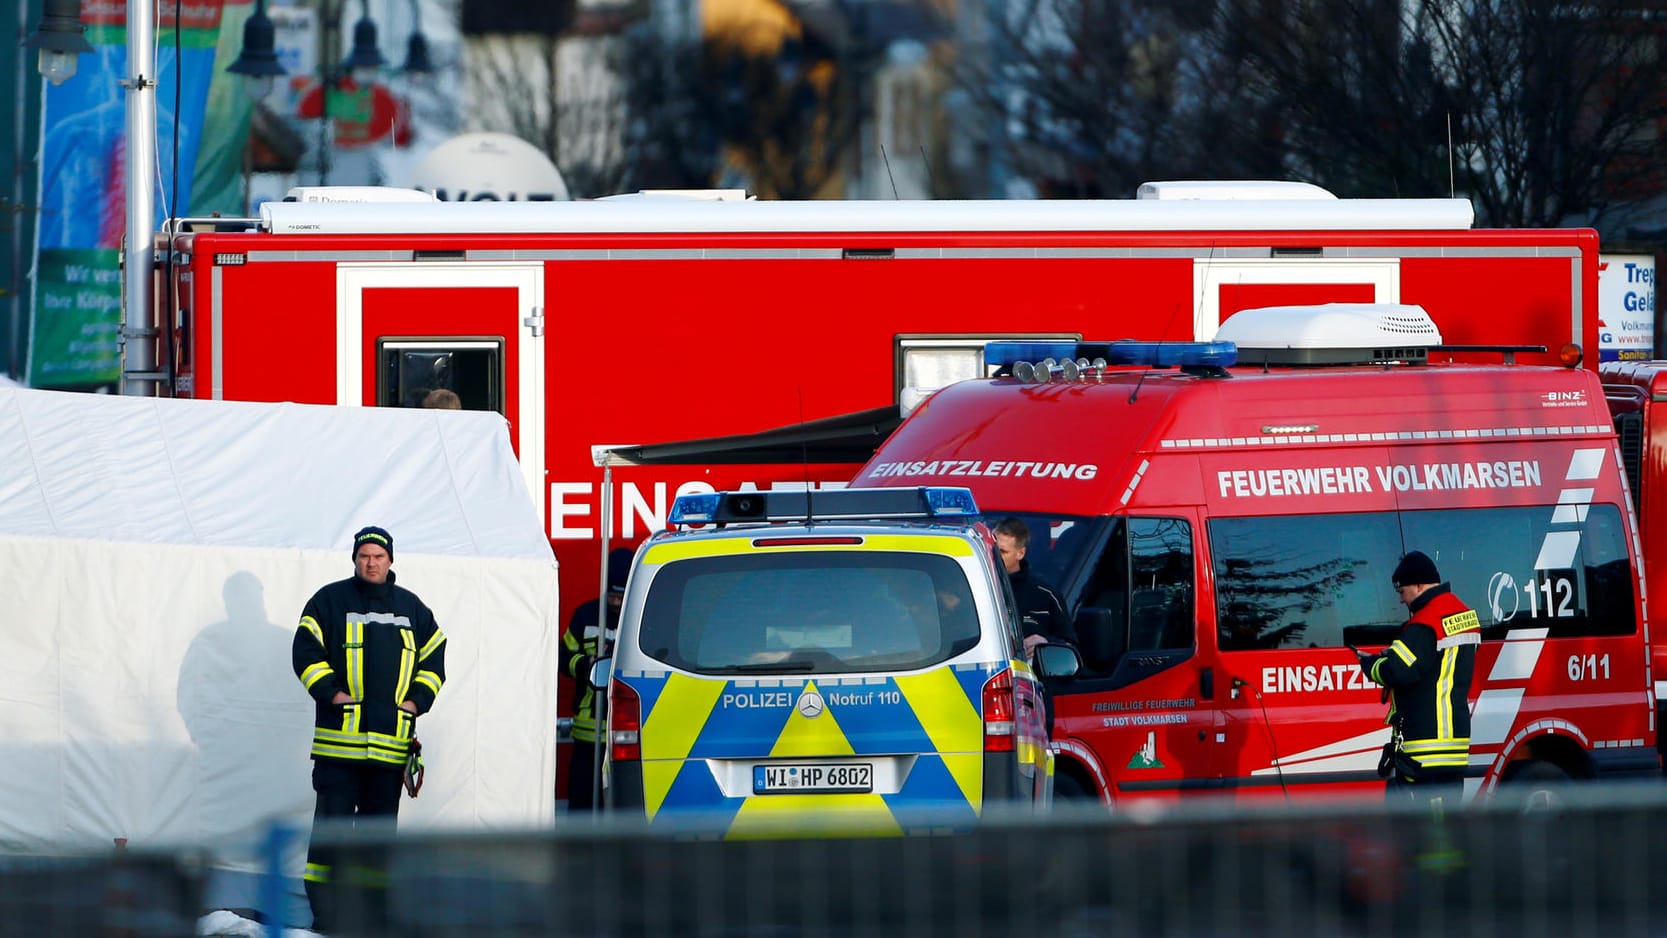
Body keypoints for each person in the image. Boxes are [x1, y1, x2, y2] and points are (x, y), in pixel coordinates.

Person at [293, 526, 446, 931]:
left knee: (378, 840)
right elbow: (306, 650)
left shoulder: (412, 608)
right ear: (355, 560)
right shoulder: (329, 601)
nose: (372, 562)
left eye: (379, 555)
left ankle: (372, 915)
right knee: (331, 836)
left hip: (390, 752)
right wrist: (331, 693)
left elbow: (435, 656)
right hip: (338, 750)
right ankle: (326, 917)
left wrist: (417, 701)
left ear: (391, 560)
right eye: (365, 556)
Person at [1356, 550, 1478, 802]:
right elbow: (1432, 666)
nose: (1401, 600)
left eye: (1402, 591)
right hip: (1453, 743)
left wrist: (1369, 664)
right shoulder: (1464, 615)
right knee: (1447, 820)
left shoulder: (1425, 622)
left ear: (1420, 585)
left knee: (1430, 828)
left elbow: (1397, 671)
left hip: (1426, 744)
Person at [562, 546, 631, 812]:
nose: (616, 602)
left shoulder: (638, 616)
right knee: (582, 801)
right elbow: (562, 656)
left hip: (626, 732)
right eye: (612, 596)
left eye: (621, 597)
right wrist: (586, 664)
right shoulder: (586, 615)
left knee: (621, 804)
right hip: (587, 731)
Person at [993, 517, 1077, 652]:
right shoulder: (973, 587)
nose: (996, 556)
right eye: (993, 550)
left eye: (1003, 552)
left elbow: (1070, 646)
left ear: (1020, 553)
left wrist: (1045, 643)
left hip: (1032, 670)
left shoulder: (1046, 594)